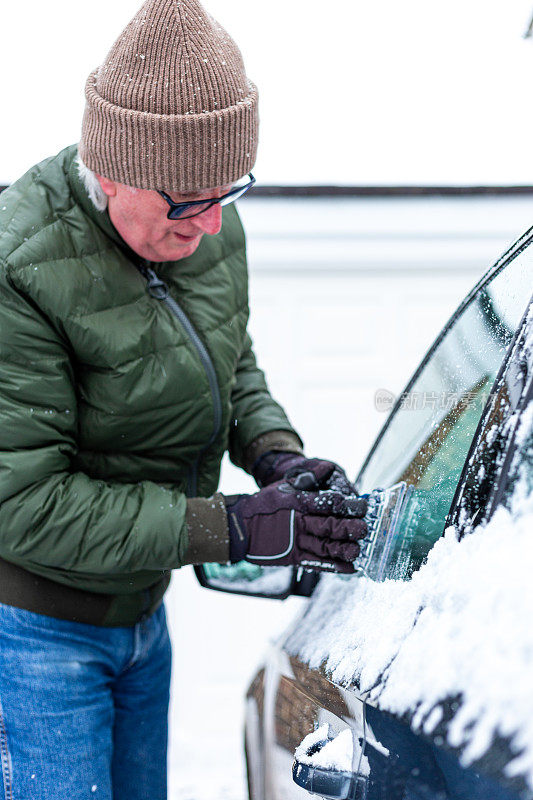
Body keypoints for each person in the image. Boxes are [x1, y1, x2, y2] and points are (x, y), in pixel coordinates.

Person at [0, 0, 369, 797]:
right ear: (114, 168)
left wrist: (276, 452)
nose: (208, 226)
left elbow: (226, 363)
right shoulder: (19, 268)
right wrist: (234, 526)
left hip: (141, 620)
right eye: (186, 202)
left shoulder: (203, 226)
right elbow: (24, 502)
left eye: (225, 193)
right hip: (30, 639)